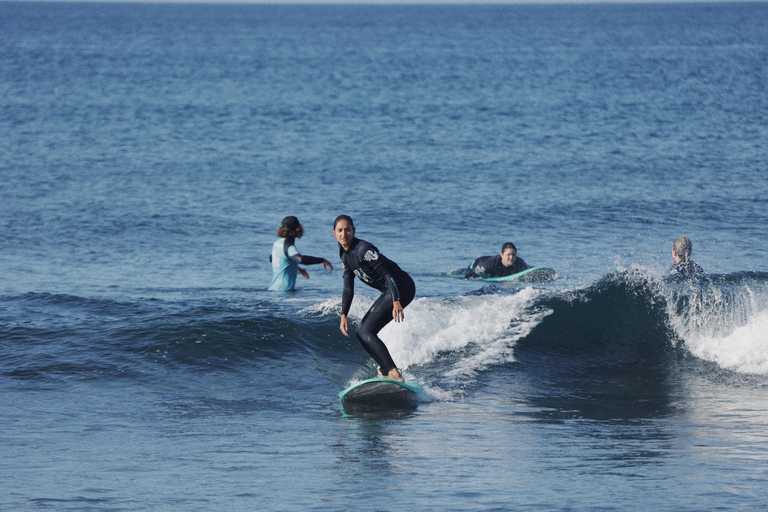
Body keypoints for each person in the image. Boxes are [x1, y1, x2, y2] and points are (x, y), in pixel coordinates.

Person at [333, 215, 415, 382]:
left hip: (401, 288)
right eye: (340, 230)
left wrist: (396, 299)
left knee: (366, 330)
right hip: (389, 291)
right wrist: (343, 314)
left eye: (347, 230)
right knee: (361, 332)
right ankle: (386, 370)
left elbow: (387, 274)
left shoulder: (363, 249)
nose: (344, 233)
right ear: (334, 233)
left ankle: (394, 373)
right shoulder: (344, 254)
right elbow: (348, 287)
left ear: (353, 231)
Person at [268, 216, 333, 291]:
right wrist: (322, 260)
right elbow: (301, 259)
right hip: (285, 292)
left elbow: (275, 259)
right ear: (298, 230)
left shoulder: (276, 244)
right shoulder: (288, 246)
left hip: (273, 290)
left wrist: (297, 268)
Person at [454, 242, 529, 279]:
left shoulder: (519, 262)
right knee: (465, 272)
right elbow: (470, 275)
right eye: (508, 254)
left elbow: (528, 272)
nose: (511, 257)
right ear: (501, 254)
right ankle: (453, 272)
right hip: (477, 263)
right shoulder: (490, 264)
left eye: (513, 254)